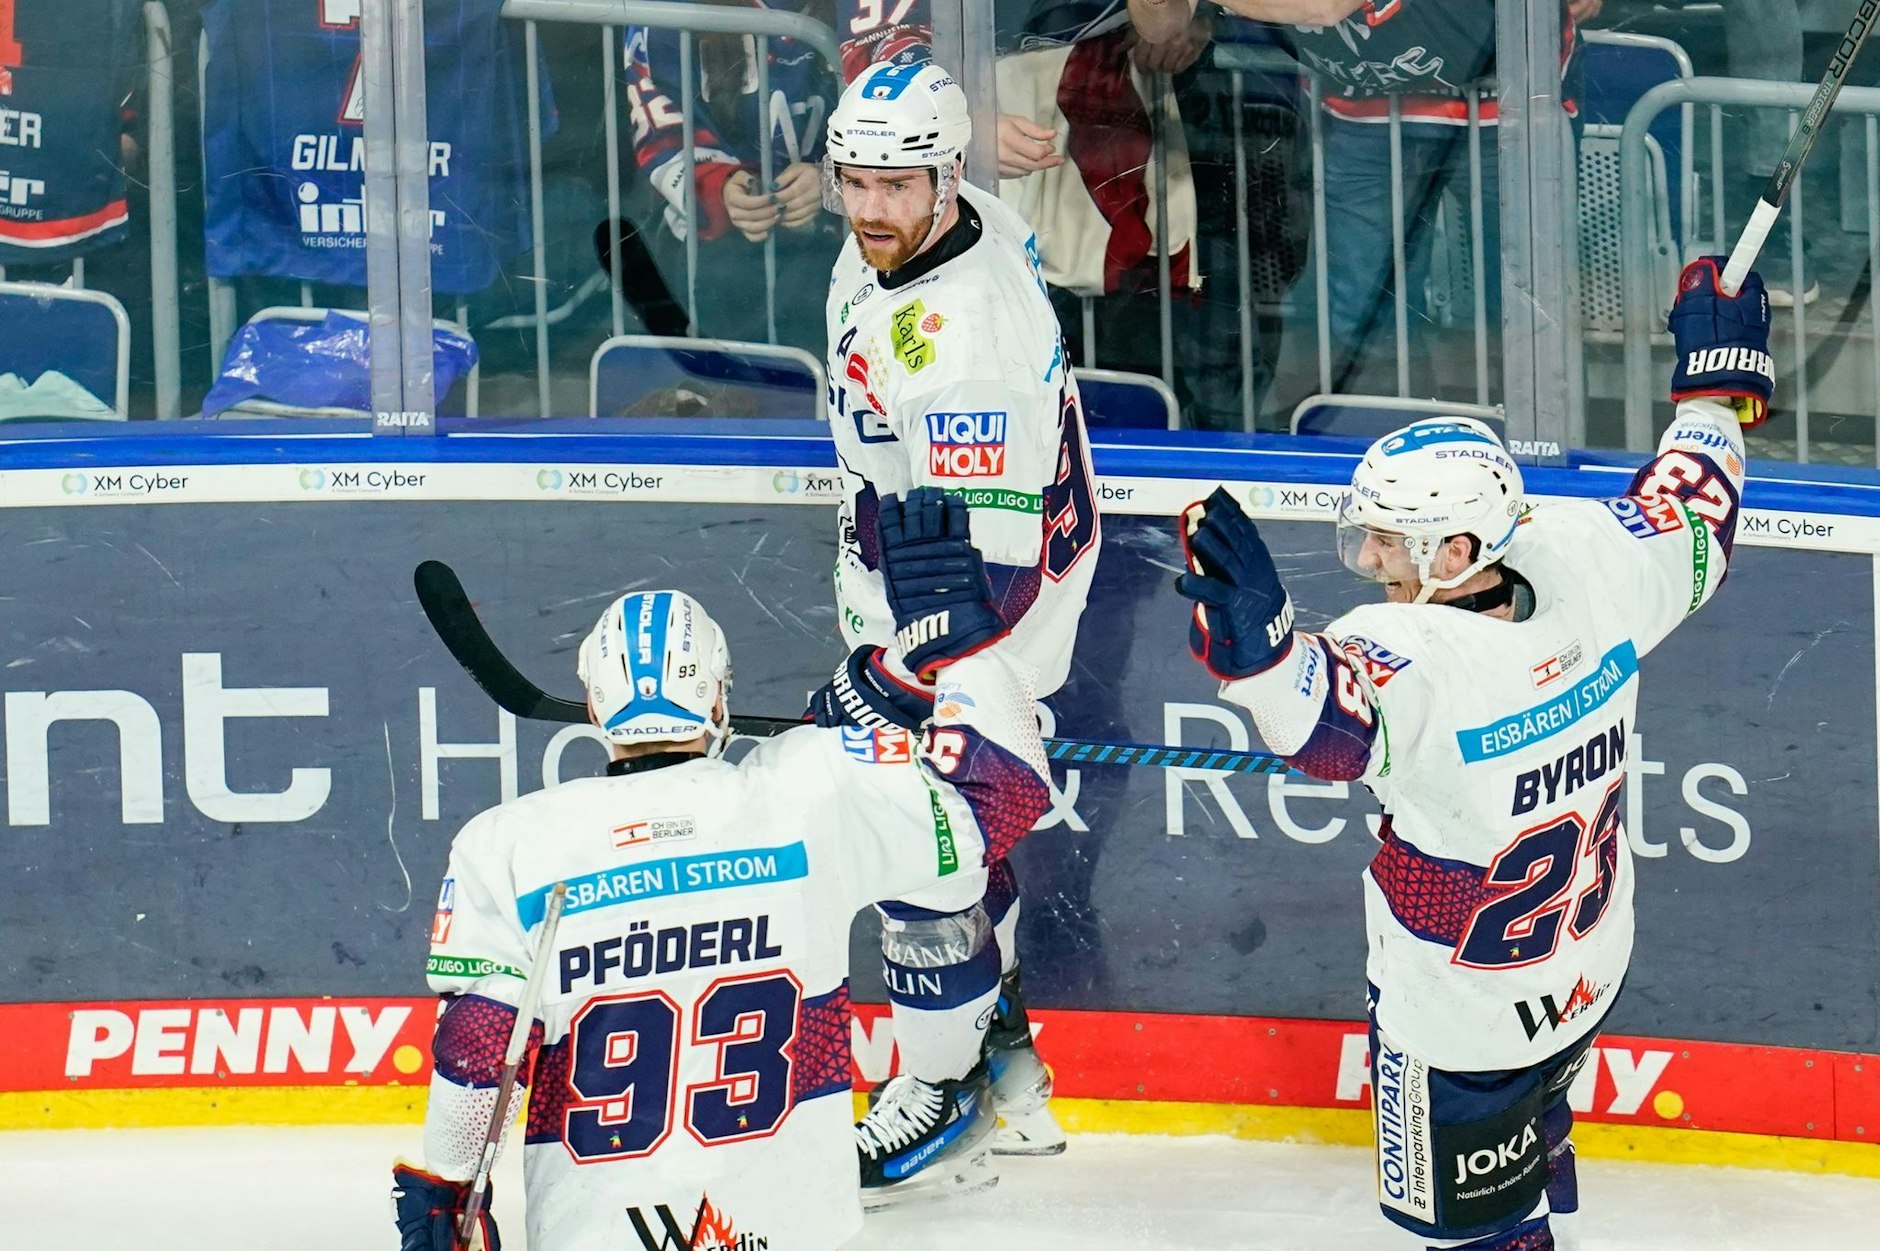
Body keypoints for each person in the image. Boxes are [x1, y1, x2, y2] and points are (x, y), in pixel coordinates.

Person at [1171, 254, 1770, 1250]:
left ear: (1452, 554)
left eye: (1384, 543)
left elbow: (1326, 731)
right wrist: (1710, 389)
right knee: (1534, 1104)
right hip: (1583, 967)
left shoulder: (1414, 652)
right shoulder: (1591, 556)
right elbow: (1696, 506)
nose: (1367, 561)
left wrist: (1260, 661)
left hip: (1455, 1016)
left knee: (1462, 1238)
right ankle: (1534, 1172)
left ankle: (1510, 1219)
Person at [389, 488, 1055, 1250]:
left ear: (596, 706)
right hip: (793, 1232)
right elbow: (1006, 790)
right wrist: (966, 651)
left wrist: (444, 1190)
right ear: (718, 701)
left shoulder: (511, 845)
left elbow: (480, 1052)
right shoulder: (808, 791)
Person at [811, 59, 1102, 1197]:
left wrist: (894, 679)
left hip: (984, 620)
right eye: (854, 182)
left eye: (894, 186)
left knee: (921, 845)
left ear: (944, 175)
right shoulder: (943, 220)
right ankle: (1012, 1072)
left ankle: (945, 1089)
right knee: (964, 847)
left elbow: (994, 577)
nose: (871, 208)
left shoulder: (962, 338)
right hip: (921, 574)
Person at [1214, 0, 1591, 407]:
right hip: (1362, 106)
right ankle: (1394, 450)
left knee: (1529, 308)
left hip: (1506, 102)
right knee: (1366, 315)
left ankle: (1542, 455)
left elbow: (1323, 6)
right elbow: (1161, 24)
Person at [620, 0, 844, 352]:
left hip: (838, 253)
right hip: (716, 260)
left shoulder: (871, 11)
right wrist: (717, 187)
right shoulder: (665, 14)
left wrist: (835, 180)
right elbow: (660, 127)